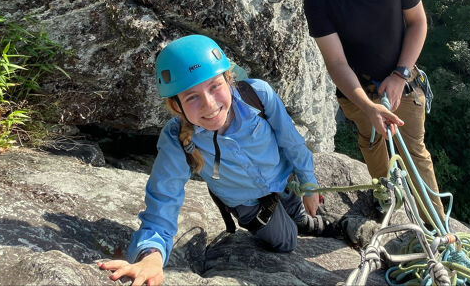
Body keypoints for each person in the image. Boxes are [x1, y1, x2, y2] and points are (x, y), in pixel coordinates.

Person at [98, 34, 333, 286]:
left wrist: (309, 183)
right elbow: (163, 200)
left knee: (296, 208)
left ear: (228, 79)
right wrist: (151, 257)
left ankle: (302, 219)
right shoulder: (178, 139)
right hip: (251, 204)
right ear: (176, 106)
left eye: (214, 87)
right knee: (287, 242)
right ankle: (298, 223)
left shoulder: (258, 96)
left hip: (284, 180)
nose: (209, 105)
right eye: (191, 97)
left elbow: (291, 140)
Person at [303, 0, 446, 222]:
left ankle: (437, 230)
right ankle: (386, 190)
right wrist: (369, 106)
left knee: (415, 154)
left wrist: (400, 75)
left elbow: (418, 22)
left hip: (404, 82)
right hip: (356, 92)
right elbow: (337, 63)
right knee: (371, 142)